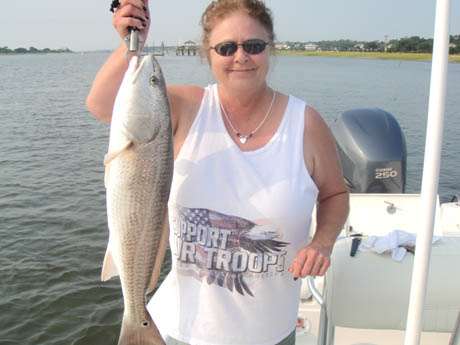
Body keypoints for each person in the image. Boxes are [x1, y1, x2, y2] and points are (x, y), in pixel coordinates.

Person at [86, 0, 349, 344]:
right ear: (207, 53)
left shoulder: (306, 124)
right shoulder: (186, 108)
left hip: (270, 335)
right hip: (181, 332)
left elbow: (335, 194)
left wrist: (323, 242)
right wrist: (129, 43)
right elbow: (103, 104)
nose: (241, 56)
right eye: (226, 48)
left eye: (253, 46)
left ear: (269, 50)